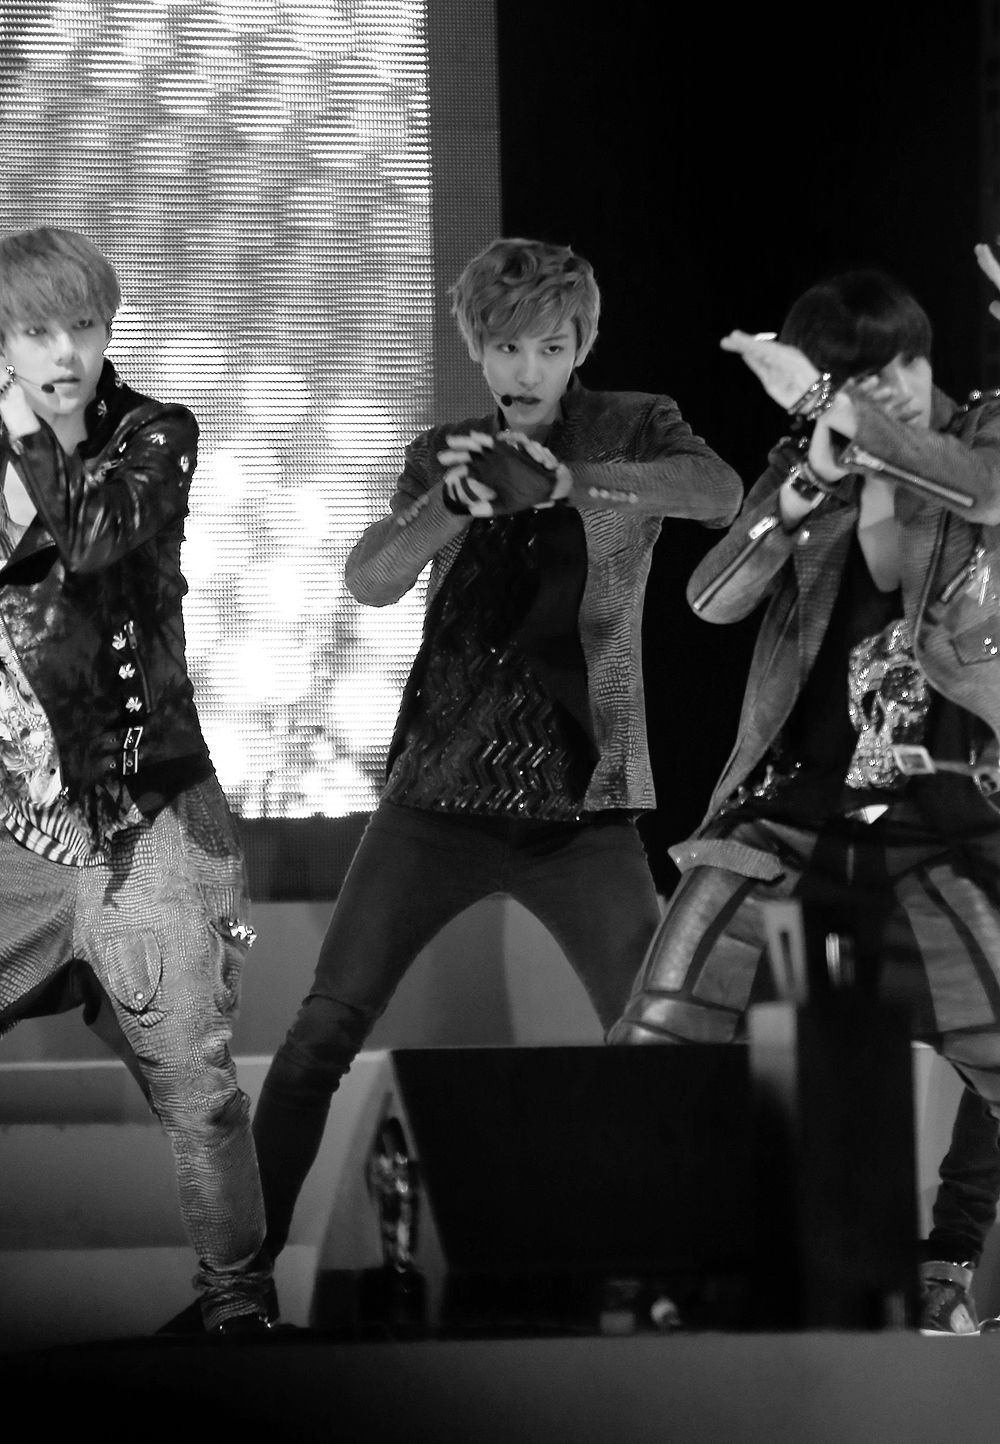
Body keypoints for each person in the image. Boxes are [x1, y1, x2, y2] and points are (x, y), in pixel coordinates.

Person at [251, 236, 744, 1262]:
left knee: (658, 1040)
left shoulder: (632, 426)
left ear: (581, 348)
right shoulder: (446, 450)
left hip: (586, 809)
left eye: (551, 347)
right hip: (435, 800)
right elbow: (371, 579)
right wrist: (455, 503)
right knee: (317, 1038)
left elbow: (718, 494)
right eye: (508, 348)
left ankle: (683, 1277)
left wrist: (571, 483)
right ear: (477, 348)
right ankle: (234, 1289)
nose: (529, 369)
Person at [610, 267, 1000, 1335]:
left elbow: (982, 493)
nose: (895, 392)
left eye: (904, 369)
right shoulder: (812, 458)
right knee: (660, 1032)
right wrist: (803, 482)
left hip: (949, 817)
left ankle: (948, 1264)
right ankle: (632, 1289)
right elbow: (710, 598)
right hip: (797, 811)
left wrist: (844, 417)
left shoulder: (978, 435)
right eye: (864, 383)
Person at [0, 226, 271, 1334]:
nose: (64, 351)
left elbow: (93, 533)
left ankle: (238, 1313)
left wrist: (29, 431)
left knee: (199, 1094)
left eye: (82, 325)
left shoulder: (155, 434)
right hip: (18, 822)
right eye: (35, 330)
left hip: (146, 813)